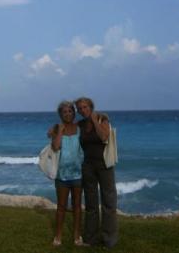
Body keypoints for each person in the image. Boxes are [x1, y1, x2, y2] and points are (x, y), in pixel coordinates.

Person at [75, 97, 118, 248]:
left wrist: (94, 121)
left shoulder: (102, 118)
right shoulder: (80, 124)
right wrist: (54, 130)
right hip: (88, 166)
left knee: (108, 202)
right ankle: (90, 238)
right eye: (79, 108)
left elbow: (104, 137)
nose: (82, 110)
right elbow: (68, 131)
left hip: (104, 165)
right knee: (91, 203)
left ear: (91, 107)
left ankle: (109, 239)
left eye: (85, 107)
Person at [50, 101, 84, 247]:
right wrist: (60, 131)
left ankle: (77, 236)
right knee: (61, 206)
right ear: (60, 114)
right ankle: (58, 236)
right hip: (62, 175)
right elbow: (56, 147)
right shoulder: (57, 129)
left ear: (74, 113)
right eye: (64, 112)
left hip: (78, 174)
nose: (68, 114)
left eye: (70, 111)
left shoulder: (79, 128)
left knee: (77, 206)